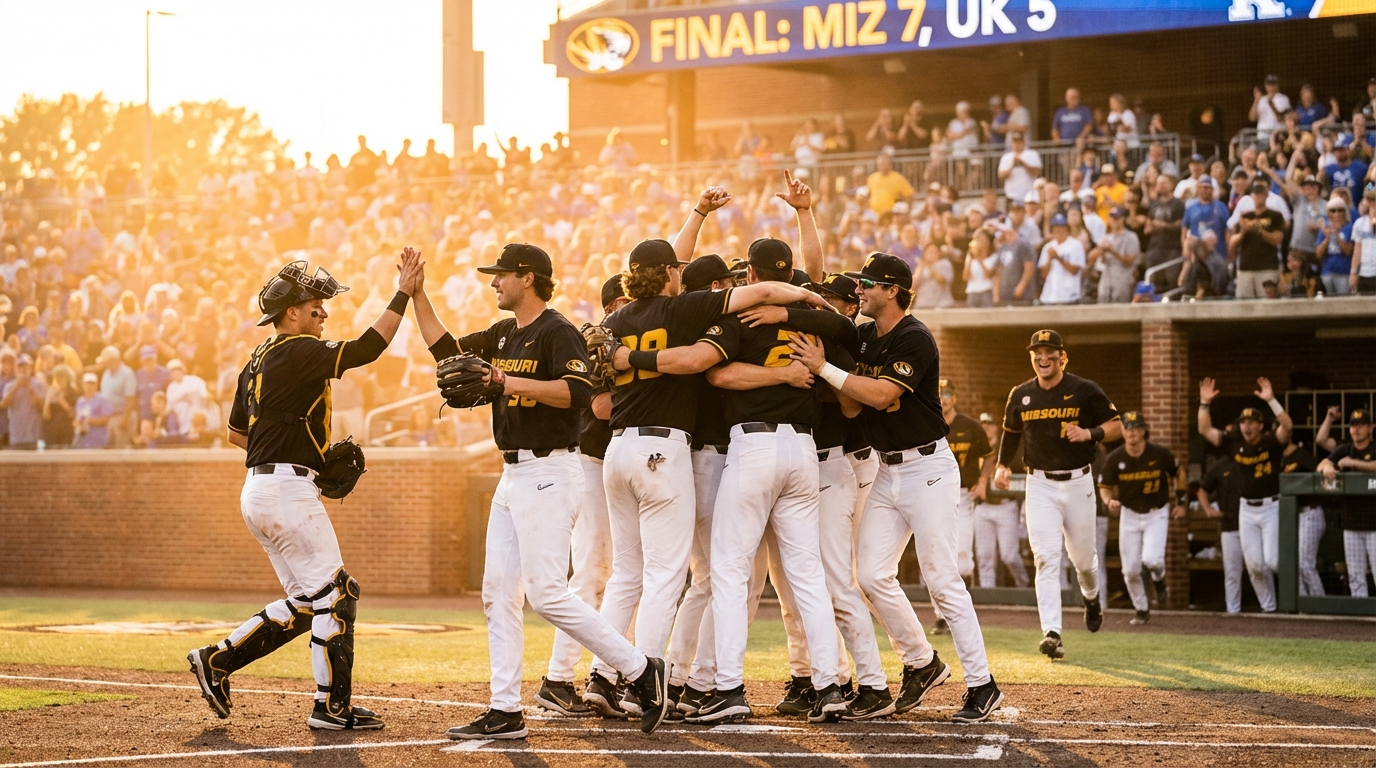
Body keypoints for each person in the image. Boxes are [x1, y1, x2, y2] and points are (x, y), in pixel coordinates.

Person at [409, 241, 672, 739]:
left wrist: (503, 381)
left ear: (527, 278)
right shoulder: (505, 333)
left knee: (548, 594)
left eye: (501, 275)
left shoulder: (558, 331)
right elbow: (448, 353)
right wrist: (417, 296)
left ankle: (640, 671)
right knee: (498, 595)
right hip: (513, 476)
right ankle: (505, 709)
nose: (493, 282)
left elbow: (576, 394)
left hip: (551, 472)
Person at [591, 187, 831, 724]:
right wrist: (808, 297)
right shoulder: (686, 308)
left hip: (618, 450)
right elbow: (723, 336)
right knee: (672, 575)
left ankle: (603, 674)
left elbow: (601, 401)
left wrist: (697, 214)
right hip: (672, 452)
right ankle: (647, 681)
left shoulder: (612, 322)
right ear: (672, 276)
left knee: (629, 573)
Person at [187, 254, 420, 732]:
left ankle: (217, 660)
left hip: (260, 487)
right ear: (290, 313)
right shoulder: (295, 349)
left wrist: (299, 450)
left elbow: (236, 434)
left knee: (306, 602)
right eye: (316, 306)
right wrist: (403, 293)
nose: (323, 314)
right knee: (338, 595)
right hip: (287, 490)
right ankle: (330, 708)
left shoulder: (255, 360)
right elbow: (366, 348)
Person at [789, 253, 1004, 724]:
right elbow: (850, 407)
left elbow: (884, 395)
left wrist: (825, 370)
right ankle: (922, 662)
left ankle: (983, 684)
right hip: (887, 470)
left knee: (942, 578)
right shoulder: (865, 335)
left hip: (928, 467)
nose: (859, 290)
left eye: (868, 283)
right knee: (869, 575)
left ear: (892, 290)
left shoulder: (915, 336)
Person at [680, 237, 856, 725]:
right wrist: (800, 314)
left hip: (754, 447)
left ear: (752, 276)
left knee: (732, 573)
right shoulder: (810, 320)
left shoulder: (744, 317)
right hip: (803, 452)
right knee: (807, 577)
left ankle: (728, 687)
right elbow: (846, 327)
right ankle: (829, 685)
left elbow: (718, 377)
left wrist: (775, 374)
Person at [994, 330, 1122, 659]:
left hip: (1079, 482)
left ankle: (1092, 599)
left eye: (1050, 352)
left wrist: (1089, 432)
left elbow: (1117, 425)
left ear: (1062, 357)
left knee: (1083, 561)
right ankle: (1052, 632)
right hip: (1039, 484)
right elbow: (1010, 433)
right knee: (1046, 558)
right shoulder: (1021, 394)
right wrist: (1002, 466)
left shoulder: (1084, 389)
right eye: (1038, 352)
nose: (1043, 357)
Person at [536, 275, 630, 718]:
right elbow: (599, 408)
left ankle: (608, 674)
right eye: (622, 303)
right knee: (590, 574)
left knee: (622, 576)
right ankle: (558, 677)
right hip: (592, 465)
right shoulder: (597, 344)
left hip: (617, 468)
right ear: (612, 305)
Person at [1197, 377, 1292, 612]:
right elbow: (1204, 430)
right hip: (1246, 509)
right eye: (1243, 422)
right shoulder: (1234, 442)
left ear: (1260, 425)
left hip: (1271, 507)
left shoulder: (1271, 441)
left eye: (1252, 422)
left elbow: (1287, 426)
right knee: (1254, 565)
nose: (1247, 426)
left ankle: (1289, 599)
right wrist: (1204, 403)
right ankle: (1270, 610)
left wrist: (1271, 400)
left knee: (1272, 561)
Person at [1098, 412, 1186, 625]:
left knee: (1152, 560)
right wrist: (1109, 501)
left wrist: (1181, 502)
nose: (1132, 432)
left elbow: (1179, 472)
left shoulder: (1159, 453)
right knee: (1129, 570)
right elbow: (1105, 486)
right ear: (1123, 431)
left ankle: (1159, 579)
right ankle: (1141, 609)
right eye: (1128, 428)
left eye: (1137, 428)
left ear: (1144, 430)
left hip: (1156, 512)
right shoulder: (1115, 457)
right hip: (1129, 514)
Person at [927, 379, 992, 635]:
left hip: (963, 496)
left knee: (962, 561)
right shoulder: (927, 422)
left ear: (954, 397)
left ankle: (961, 610)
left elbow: (988, 455)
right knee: (936, 557)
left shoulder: (970, 426)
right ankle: (941, 616)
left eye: (947, 394)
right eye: (939, 393)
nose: (943, 398)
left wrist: (983, 481)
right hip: (932, 496)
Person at [1318, 409, 1376, 597]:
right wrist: (1327, 465)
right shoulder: (1345, 448)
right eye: (1353, 425)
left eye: (1360, 426)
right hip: (1351, 522)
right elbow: (1322, 463)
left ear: (1371, 428)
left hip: (1374, 523)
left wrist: (1353, 463)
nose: (1356, 430)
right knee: (1355, 576)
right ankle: (1360, 620)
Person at [974, 412, 1029, 588]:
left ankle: (1023, 585)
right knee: (984, 557)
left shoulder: (1006, 449)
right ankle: (988, 596)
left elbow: (1023, 472)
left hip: (1006, 505)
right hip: (982, 506)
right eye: (982, 424)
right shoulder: (976, 447)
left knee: (1009, 556)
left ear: (996, 427)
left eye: (989, 424)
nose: (985, 427)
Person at [1197, 455, 1244, 613]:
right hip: (1230, 524)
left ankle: (1269, 609)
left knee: (1258, 567)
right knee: (1232, 571)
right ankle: (1233, 610)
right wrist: (1208, 510)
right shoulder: (1223, 464)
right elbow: (1202, 489)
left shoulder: (1257, 458)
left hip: (1256, 523)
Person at [1230, 194, 1286, 300]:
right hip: (1246, 268)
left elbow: (1277, 240)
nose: (1258, 196)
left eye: (1261, 193)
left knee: (1267, 305)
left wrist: (1259, 230)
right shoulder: (1246, 216)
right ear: (1252, 196)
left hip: (1267, 267)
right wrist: (1243, 231)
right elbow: (1232, 243)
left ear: (1266, 195)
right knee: (1244, 306)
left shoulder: (1275, 215)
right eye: (1256, 193)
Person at [1094, 207, 1141, 303]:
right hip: (1107, 271)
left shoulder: (1131, 237)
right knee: (1103, 297)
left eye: (1117, 218)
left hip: (1123, 271)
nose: (1115, 221)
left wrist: (1112, 251)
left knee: (1119, 298)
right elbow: (1099, 261)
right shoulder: (1106, 237)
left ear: (1123, 219)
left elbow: (1130, 261)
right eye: (1112, 218)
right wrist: (1101, 251)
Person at [1037, 215, 1086, 304]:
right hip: (1050, 296)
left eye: (1062, 228)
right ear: (1052, 231)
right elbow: (1043, 275)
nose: (1060, 231)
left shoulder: (1076, 245)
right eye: (1056, 229)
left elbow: (1074, 270)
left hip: (1069, 295)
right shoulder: (1048, 247)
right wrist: (1049, 259)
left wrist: (1058, 258)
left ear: (1067, 229)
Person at [0, 354, 44, 449]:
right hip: (16, 436)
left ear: (30, 368)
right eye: (20, 366)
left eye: (26, 366)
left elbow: (40, 405)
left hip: (33, 437)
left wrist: (28, 387)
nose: (23, 369)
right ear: (16, 369)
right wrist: (16, 387)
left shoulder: (38, 384)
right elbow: (4, 404)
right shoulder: (9, 386)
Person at [997, 133, 1041, 205]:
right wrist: (1012, 165)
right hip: (1011, 196)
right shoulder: (1006, 157)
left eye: (1019, 142)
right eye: (1015, 142)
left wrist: (1023, 163)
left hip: (1029, 195)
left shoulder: (1032, 154)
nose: (1017, 144)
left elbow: (1036, 172)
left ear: (1023, 142)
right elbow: (1001, 176)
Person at [74, 371, 114, 449]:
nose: (89, 386)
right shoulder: (80, 401)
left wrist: (89, 421)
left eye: (92, 383)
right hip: (82, 440)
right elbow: (78, 419)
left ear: (96, 385)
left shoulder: (102, 399)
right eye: (87, 383)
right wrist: (77, 424)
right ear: (82, 384)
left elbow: (106, 419)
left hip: (98, 439)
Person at [1249, 75, 1291, 149]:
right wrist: (1256, 101)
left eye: (1273, 84)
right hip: (1262, 136)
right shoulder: (1261, 100)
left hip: (1277, 137)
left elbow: (1281, 118)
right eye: (1269, 84)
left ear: (1277, 85)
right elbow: (1252, 118)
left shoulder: (1284, 99)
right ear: (1265, 85)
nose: (1271, 87)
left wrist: (1271, 104)